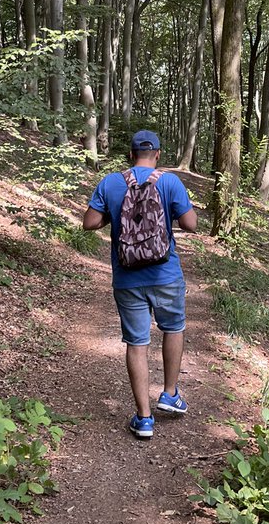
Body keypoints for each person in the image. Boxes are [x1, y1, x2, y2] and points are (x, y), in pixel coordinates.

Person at [83, 130, 198, 439]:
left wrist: (114, 215)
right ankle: (170, 394)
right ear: (157, 154)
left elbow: (89, 223)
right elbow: (190, 224)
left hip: (127, 276)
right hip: (166, 274)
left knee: (137, 343)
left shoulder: (111, 182)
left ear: (130, 155)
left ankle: (144, 418)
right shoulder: (170, 182)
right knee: (173, 328)